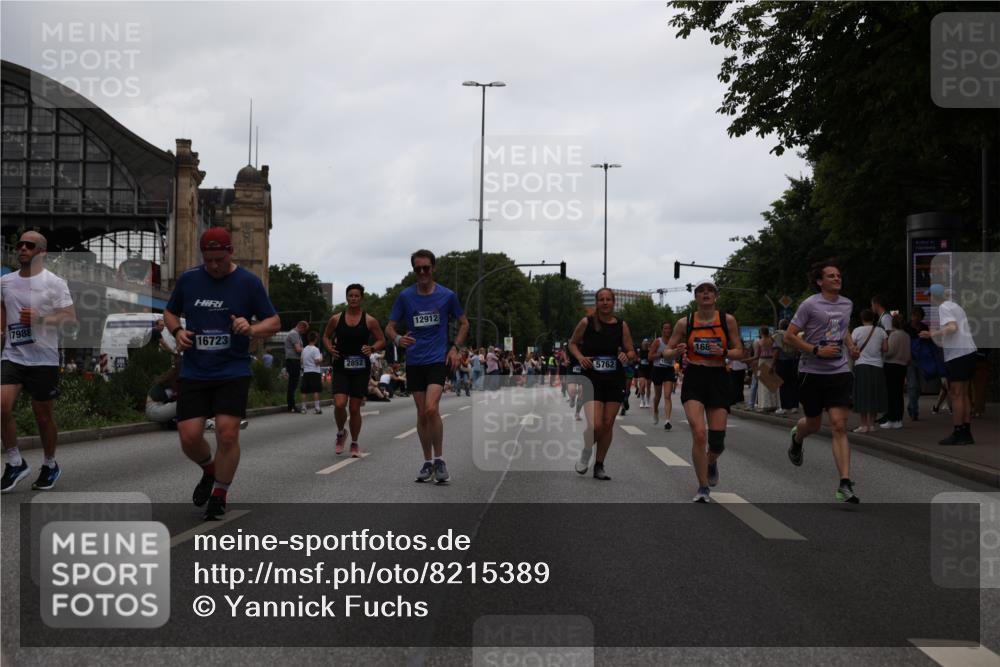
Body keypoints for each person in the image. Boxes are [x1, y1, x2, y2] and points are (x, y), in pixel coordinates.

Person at [164, 227, 280, 519]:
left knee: (227, 435)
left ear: (231, 252)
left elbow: (274, 321)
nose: (214, 266)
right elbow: (169, 312)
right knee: (189, 437)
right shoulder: (189, 280)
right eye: (209, 259)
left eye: (219, 259)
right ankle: (210, 470)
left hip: (232, 368)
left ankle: (219, 493)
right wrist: (177, 331)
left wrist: (251, 328)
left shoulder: (248, 283)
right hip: (195, 369)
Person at [1, 231, 77, 493]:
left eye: (29, 245)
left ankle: (50, 464)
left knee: (43, 416)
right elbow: (3, 308)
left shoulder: (54, 283)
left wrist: (41, 319)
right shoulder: (6, 282)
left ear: (42, 252)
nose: (22, 248)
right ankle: (14, 462)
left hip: (43, 358)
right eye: (19, 244)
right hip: (13, 355)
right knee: (2, 406)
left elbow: (69, 317)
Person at [386, 250, 469, 484]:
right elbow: (390, 326)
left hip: (436, 359)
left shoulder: (447, 296)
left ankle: (440, 459)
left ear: (433, 268)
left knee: (432, 409)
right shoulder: (405, 297)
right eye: (418, 269)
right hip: (414, 361)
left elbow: (464, 324)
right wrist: (397, 339)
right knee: (422, 414)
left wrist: (455, 348)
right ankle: (427, 462)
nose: (422, 272)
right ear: (414, 270)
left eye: (426, 268)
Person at [784, 261, 862, 503]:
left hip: (839, 370)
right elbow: (789, 336)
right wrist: (815, 350)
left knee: (839, 425)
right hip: (812, 371)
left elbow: (842, 327)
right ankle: (798, 437)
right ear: (820, 281)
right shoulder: (810, 304)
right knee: (815, 424)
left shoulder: (847, 303)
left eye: (839, 275)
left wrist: (850, 345)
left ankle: (845, 483)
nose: (837, 278)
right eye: (831, 276)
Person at [662, 280, 744, 502]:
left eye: (710, 291)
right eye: (701, 291)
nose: (706, 294)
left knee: (717, 442)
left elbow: (740, 352)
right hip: (695, 378)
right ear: (696, 297)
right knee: (699, 434)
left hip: (718, 378)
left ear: (716, 296)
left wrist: (725, 351)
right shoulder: (684, 323)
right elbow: (666, 353)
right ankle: (703, 487)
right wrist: (676, 351)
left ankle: (711, 460)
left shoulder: (727, 320)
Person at [569, 287, 636, 481]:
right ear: (596, 303)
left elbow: (631, 351)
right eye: (601, 299)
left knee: (607, 424)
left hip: (614, 379)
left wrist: (626, 355)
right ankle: (586, 450)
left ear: (614, 302)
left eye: (608, 299)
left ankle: (599, 465)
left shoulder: (622, 325)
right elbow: (572, 343)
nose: (605, 302)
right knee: (595, 424)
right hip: (592, 379)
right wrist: (581, 357)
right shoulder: (586, 322)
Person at [323, 284, 386, 457]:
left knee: (354, 408)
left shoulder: (370, 320)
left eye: (357, 296)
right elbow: (326, 336)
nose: (353, 298)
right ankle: (340, 432)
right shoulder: (336, 319)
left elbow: (382, 340)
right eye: (350, 295)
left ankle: (355, 443)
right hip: (341, 366)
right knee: (340, 404)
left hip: (360, 368)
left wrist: (372, 348)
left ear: (361, 298)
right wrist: (330, 349)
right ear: (346, 298)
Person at [920, 284, 978, 445]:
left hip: (958, 355)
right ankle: (966, 432)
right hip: (969, 352)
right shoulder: (956, 306)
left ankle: (958, 432)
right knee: (964, 394)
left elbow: (952, 328)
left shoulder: (944, 307)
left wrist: (932, 334)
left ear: (935, 296)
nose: (929, 299)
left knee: (956, 394)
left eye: (929, 296)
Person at [850, 309, 889, 433]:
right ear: (873, 319)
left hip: (861, 365)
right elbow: (885, 348)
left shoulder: (856, 331)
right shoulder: (881, 331)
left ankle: (863, 425)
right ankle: (872, 424)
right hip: (877, 366)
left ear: (862, 319)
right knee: (874, 395)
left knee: (862, 395)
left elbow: (852, 347)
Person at [882, 312, 910, 430]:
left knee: (891, 394)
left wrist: (883, 351)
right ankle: (898, 419)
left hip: (891, 366)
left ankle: (891, 418)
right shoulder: (906, 335)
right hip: (902, 366)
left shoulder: (894, 335)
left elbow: (889, 352)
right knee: (899, 394)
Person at [649, 322, 677, 430]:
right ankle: (655, 410)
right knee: (658, 395)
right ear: (662, 330)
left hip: (669, 369)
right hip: (657, 370)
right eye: (665, 328)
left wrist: (676, 353)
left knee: (667, 395)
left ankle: (667, 420)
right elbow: (650, 356)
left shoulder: (673, 342)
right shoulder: (658, 342)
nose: (667, 330)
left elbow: (677, 354)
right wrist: (661, 354)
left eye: (669, 328)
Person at [903, 306, 929, 421]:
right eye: (914, 315)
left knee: (919, 387)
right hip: (910, 359)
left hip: (922, 359)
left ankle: (911, 406)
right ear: (912, 316)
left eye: (919, 316)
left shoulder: (924, 327)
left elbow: (928, 343)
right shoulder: (906, 328)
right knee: (913, 385)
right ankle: (914, 410)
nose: (916, 318)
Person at [772, 319, 799, 414]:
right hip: (793, 361)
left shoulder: (777, 336)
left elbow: (776, 351)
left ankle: (785, 407)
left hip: (781, 362)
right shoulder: (792, 335)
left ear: (780, 326)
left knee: (783, 385)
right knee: (793, 384)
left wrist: (772, 364)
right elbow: (797, 349)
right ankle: (795, 406)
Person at [146, 362, 180, 428]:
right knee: (184, 403)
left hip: (159, 408)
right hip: (154, 409)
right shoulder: (166, 385)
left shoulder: (174, 384)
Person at [284, 320, 308, 413]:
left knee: (292, 383)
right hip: (293, 361)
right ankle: (291, 405)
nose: (304, 332)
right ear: (301, 327)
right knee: (293, 384)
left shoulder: (295, 334)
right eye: (304, 330)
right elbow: (298, 349)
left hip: (293, 361)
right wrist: (307, 349)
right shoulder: (294, 334)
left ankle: (291, 405)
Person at [753, 326, 778, 412]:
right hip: (771, 361)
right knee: (772, 384)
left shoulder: (759, 342)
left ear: (761, 333)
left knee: (763, 384)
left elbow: (756, 355)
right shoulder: (772, 340)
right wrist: (773, 364)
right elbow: (776, 351)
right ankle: (774, 404)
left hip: (762, 361)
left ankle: (764, 405)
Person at [300, 331, 324, 414]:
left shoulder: (304, 349)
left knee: (304, 391)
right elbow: (317, 362)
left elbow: (301, 361)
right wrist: (321, 358)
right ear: (316, 339)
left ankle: (303, 408)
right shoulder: (316, 349)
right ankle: (317, 408)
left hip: (306, 372)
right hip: (315, 371)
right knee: (316, 390)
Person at [636, 339, 651, 409]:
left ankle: (647, 401)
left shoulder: (650, 351)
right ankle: (642, 400)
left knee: (648, 386)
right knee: (642, 385)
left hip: (649, 370)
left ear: (648, 344)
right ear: (642, 344)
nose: (645, 344)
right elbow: (637, 359)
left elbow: (652, 359)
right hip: (641, 370)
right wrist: (638, 359)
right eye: (644, 343)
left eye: (646, 343)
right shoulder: (640, 351)